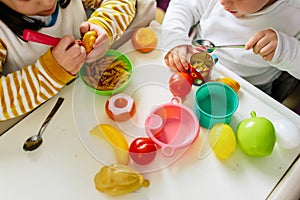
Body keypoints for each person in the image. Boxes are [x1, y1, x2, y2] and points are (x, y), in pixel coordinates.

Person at [0, 0, 137, 121]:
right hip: (41, 121)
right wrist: (52, 72)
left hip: (92, 104)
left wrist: (105, 24)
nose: (48, 2)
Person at [162, 0, 300, 102]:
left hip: (245, 92)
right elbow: (182, 6)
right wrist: (175, 40)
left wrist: (286, 50)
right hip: (190, 66)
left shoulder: (294, 15)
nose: (223, 2)